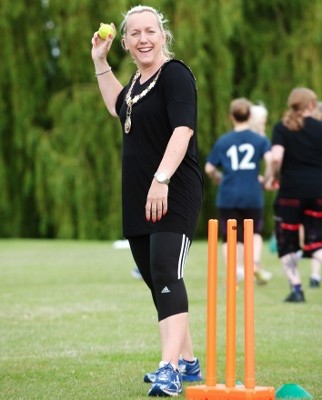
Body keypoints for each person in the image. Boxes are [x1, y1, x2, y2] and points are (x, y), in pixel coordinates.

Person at [91, 5, 203, 397]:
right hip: (139, 195)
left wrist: (162, 179)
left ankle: (168, 369)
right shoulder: (137, 85)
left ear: (163, 35)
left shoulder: (175, 75)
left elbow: (184, 130)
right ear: (125, 42)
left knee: (165, 271)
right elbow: (115, 106)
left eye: (150, 31)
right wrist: (99, 62)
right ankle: (188, 362)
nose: (143, 39)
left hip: (173, 189)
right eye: (135, 33)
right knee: (157, 282)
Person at [205, 98, 272, 285]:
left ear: (231, 117)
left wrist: (219, 178)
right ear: (250, 116)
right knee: (255, 233)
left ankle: (233, 272)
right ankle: (255, 264)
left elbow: (209, 168)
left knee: (230, 235)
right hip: (252, 193)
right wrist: (267, 179)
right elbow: (272, 160)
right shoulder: (260, 140)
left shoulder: (224, 141)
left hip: (228, 195)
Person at [266, 87, 322, 301]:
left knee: (287, 241)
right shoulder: (320, 127)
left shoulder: (282, 127)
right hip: (318, 192)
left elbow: (276, 158)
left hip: (291, 193)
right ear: (310, 105)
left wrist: (271, 177)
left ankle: (296, 289)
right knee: (317, 241)